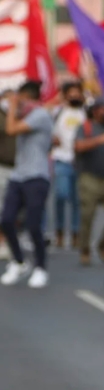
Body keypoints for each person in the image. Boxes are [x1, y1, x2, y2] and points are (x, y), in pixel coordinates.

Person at [0, 81, 53, 288]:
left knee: (33, 224)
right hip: (18, 175)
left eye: (19, 99)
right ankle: (19, 261)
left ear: (27, 98)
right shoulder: (26, 114)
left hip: (37, 176)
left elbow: (11, 130)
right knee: (6, 219)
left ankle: (40, 267)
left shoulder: (40, 115)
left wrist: (13, 106)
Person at [73, 98, 104, 266]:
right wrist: (100, 140)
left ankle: (103, 244)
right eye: (101, 109)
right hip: (90, 177)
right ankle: (85, 249)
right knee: (87, 216)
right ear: (94, 110)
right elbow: (78, 147)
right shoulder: (85, 127)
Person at [51, 81, 87, 249]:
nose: (74, 96)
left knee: (77, 200)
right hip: (61, 159)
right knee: (61, 195)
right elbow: (47, 128)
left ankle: (75, 234)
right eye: (70, 93)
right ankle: (59, 231)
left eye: (77, 93)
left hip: (80, 162)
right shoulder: (58, 112)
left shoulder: (86, 113)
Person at [0, 89, 17, 261]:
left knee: (14, 207)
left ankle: (11, 238)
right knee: (2, 205)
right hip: (2, 166)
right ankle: (2, 240)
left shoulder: (20, 115)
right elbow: (9, 130)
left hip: (19, 167)